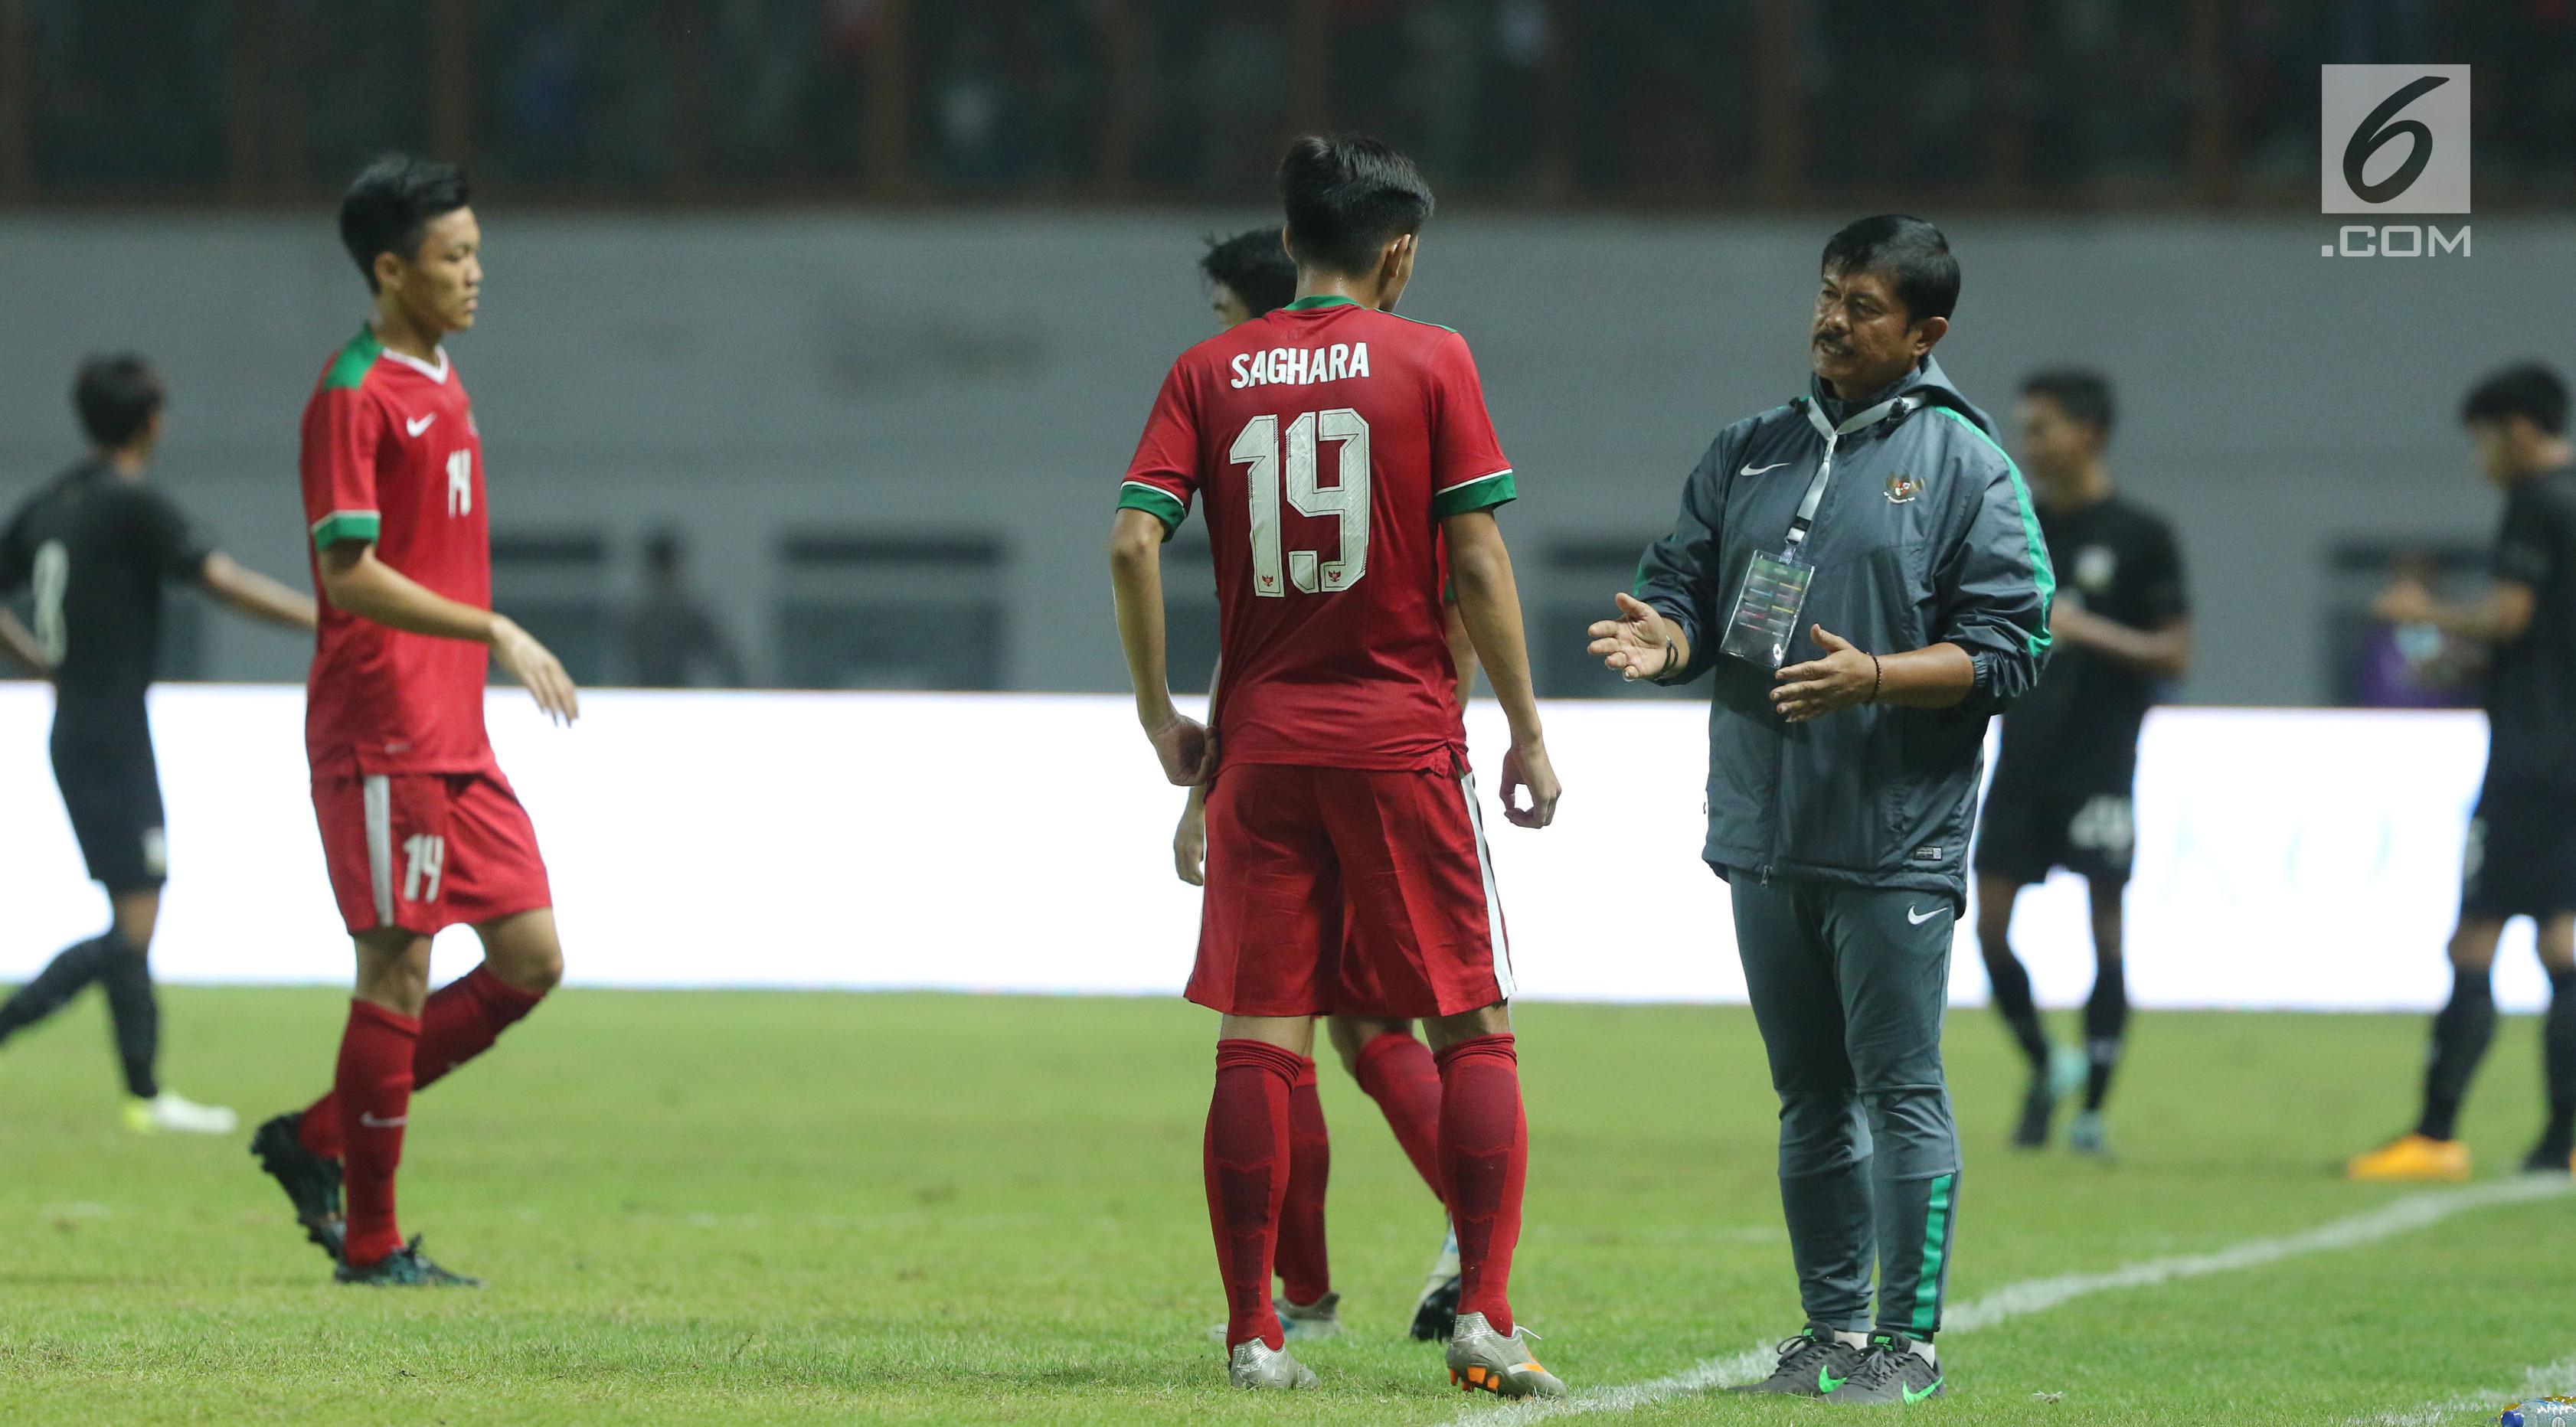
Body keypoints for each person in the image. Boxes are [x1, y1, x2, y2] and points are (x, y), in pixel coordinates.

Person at [1111, 135, 1565, 1397]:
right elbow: (1473, 564)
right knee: (1467, 1020)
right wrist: (1525, 726)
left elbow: (1129, 544)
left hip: (1259, 745)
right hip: (1397, 736)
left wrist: (1162, 721)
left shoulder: (1206, 370)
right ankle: (1481, 1311)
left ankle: (1255, 1333)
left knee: (1256, 1040)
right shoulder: (1431, 357)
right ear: (1398, 251)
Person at [1593, 215, 2050, 1406]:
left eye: (1863, 305)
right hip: (1765, 825)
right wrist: (1669, 634)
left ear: (1926, 333)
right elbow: (1684, 583)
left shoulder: (1969, 466)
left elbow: (2016, 647)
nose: (1831, 319)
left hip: (1895, 834)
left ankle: (1909, 1345)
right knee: (1808, 1095)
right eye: (1827, 293)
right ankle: (1830, 1333)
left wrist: (1881, 677)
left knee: (1899, 1087)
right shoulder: (1749, 448)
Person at [247, 155, 581, 1286]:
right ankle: (374, 1246)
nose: (477, 274)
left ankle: (316, 1138)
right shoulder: (354, 394)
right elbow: (348, 574)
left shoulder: (439, 376)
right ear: (391, 271)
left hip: (453, 732)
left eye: (478, 251)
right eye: (454, 258)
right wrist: (490, 628)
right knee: (395, 968)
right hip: (383, 725)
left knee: (531, 960)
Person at [1173, 226, 1476, 1344]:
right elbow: (1462, 581)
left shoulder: (1255, 400)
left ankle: (1305, 1297)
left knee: (1291, 1027)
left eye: (1222, 314)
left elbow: (1253, 618)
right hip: (1393, 746)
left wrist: (1197, 774)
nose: (1217, 336)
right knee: (1363, 1024)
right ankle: (1427, 1249)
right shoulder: (1404, 391)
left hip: (1305, 747)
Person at [0, 354, 317, 1133]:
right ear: (152, 421)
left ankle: (144, 1094)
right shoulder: (130, 506)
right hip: (111, 732)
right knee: (133, 926)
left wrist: (39, 660)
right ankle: (124, 1082)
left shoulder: (49, 504)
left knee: (130, 916)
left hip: (76, 725)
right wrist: (327, 619)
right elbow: (221, 579)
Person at [2349, 362, 2576, 1181]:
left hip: (2530, 758)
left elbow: (2510, 614)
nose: (2480, 460)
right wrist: (2474, 664)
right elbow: (2541, 641)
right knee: (2560, 937)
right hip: (2567, 754)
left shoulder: (2536, 500)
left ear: (2515, 429)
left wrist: (2421, 611)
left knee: (2474, 938)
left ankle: (2436, 1134)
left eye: (2482, 442)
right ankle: (2562, 1141)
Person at [1972, 370, 2190, 1155]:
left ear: (2088, 433)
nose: (2028, 445)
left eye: (2041, 428)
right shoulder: (2015, 527)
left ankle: (2094, 1109)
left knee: (2106, 931)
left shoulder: (2140, 534)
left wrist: (2084, 629)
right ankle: (2045, 1061)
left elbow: (2174, 650)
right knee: (1988, 927)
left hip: (2100, 761)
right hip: (2019, 755)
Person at [627, 527, 745, 687]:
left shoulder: (689, 616)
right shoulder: (635, 617)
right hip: (643, 695)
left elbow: (727, 661)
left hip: (676, 694)